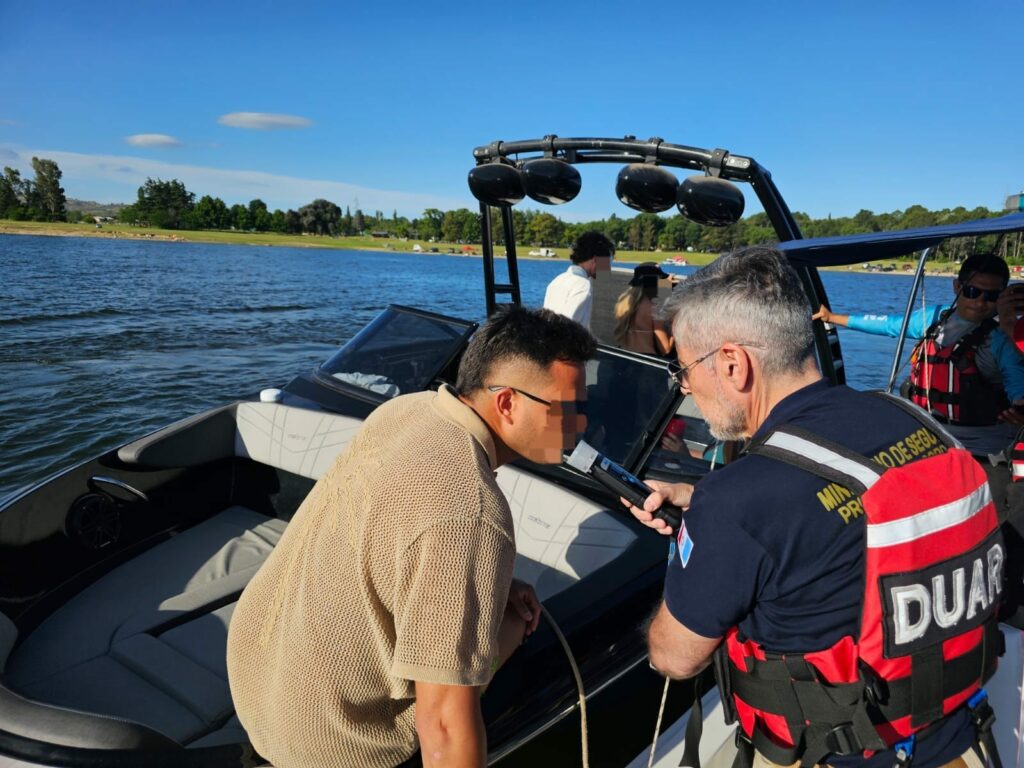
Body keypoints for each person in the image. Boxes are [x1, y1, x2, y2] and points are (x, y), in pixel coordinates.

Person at [625, 246, 1002, 768]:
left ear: (734, 364)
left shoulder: (736, 501)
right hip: (951, 732)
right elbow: (843, 506)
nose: (684, 385)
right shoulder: (913, 420)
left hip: (840, 750)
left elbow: (674, 658)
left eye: (685, 368)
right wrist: (698, 502)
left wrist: (705, 537)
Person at [227, 305, 595, 768]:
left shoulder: (409, 409)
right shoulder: (472, 514)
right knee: (518, 624)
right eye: (571, 408)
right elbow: (443, 722)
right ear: (507, 403)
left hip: (256, 677)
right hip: (331, 741)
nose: (581, 424)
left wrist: (491, 584)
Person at [813, 253, 1024, 460]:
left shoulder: (1003, 338)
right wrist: (832, 318)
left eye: (991, 297)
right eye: (972, 291)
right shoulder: (933, 318)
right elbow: (886, 324)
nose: (979, 303)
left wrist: (1020, 410)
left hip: (981, 448)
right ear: (957, 287)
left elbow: (1017, 383)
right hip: (928, 437)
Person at [542, 230, 613, 328]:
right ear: (595, 259)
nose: (608, 268)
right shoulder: (583, 285)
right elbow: (568, 328)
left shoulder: (557, 280)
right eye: (608, 261)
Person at [613, 261, 675, 356]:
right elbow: (665, 349)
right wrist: (675, 330)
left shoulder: (624, 303)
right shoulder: (654, 308)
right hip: (645, 360)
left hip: (625, 355)